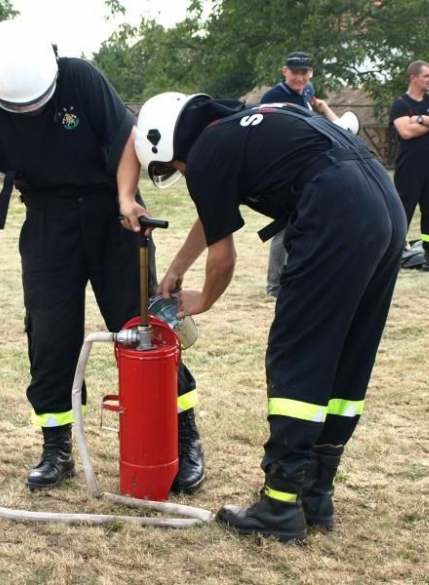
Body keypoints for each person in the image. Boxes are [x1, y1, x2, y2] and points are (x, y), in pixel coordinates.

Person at [0, 19, 203, 494]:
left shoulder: (80, 78)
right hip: (47, 222)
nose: (30, 110)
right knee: (49, 336)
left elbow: (127, 138)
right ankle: (56, 446)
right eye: (19, 106)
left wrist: (126, 197)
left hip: (112, 214)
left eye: (37, 102)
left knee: (144, 328)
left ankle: (182, 437)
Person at [135, 93, 405, 541]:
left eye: (171, 167)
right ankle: (315, 495)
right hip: (382, 205)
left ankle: (279, 505)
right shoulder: (248, 126)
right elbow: (214, 215)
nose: (181, 173)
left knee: (298, 354)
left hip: (334, 209)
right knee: (348, 353)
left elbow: (224, 257)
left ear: (168, 145)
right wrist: (178, 269)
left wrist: (204, 299)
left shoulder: (205, 153)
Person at [261, 52, 338, 298]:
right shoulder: (272, 98)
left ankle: (297, 276)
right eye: (295, 73)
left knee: (307, 221)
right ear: (285, 71)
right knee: (285, 224)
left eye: (304, 73)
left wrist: (319, 107)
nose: (300, 78)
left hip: (307, 166)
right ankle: (275, 286)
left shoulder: (307, 91)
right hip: (285, 169)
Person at [389, 60, 429, 272]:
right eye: (426, 76)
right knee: (403, 210)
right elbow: (406, 132)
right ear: (413, 77)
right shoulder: (400, 104)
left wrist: (421, 119)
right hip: (410, 165)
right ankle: (394, 256)